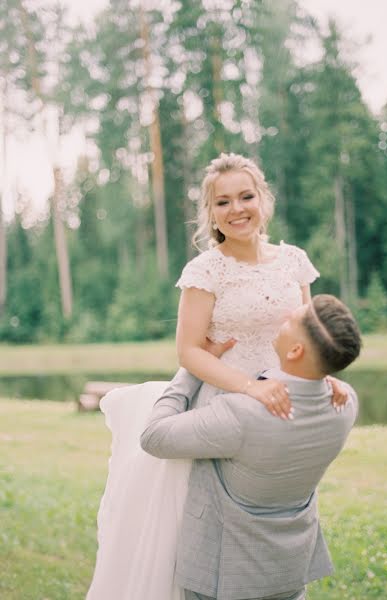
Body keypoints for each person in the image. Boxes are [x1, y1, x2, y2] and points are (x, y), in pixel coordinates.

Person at [86, 153, 346, 600]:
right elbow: (188, 350)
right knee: (218, 521)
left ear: (263, 198)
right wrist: (249, 388)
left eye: (246, 196)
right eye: (222, 202)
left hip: (285, 410)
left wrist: (324, 377)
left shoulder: (294, 261)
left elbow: (311, 332)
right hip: (225, 407)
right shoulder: (206, 271)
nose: (237, 209)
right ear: (210, 213)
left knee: (279, 509)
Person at [141, 294, 362, 600]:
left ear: (296, 350)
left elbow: (153, 436)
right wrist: (327, 379)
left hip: (225, 578)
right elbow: (325, 385)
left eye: (291, 320)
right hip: (290, 572)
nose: (283, 317)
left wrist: (193, 367)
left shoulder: (242, 414)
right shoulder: (344, 403)